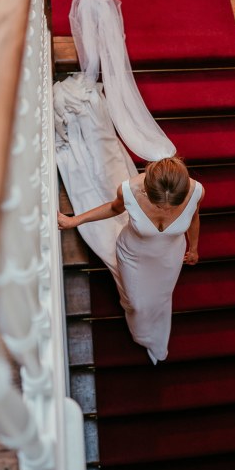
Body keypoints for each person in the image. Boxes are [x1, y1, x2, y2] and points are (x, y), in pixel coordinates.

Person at [58, 156, 204, 364]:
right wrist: (75, 220)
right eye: (159, 205)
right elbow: (113, 208)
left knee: (161, 296)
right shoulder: (128, 190)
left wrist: (195, 247)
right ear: (147, 191)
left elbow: (195, 217)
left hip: (169, 258)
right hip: (133, 255)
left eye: (172, 206)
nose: (165, 211)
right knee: (136, 302)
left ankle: (155, 324)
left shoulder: (196, 191)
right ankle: (139, 328)